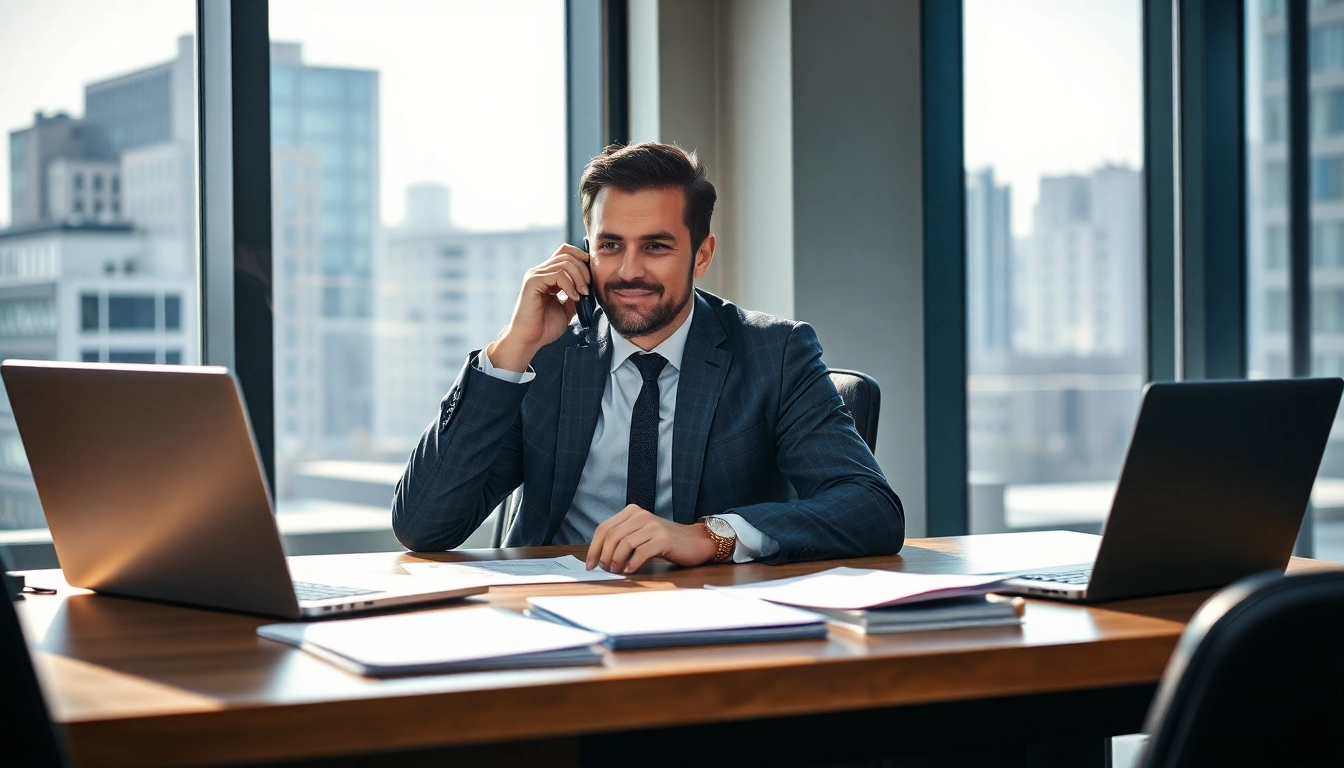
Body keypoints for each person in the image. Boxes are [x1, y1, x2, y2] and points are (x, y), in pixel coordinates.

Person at [392, 142, 903, 571]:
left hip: (710, 623)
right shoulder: (546, 355)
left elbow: (870, 508)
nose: (629, 271)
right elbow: (422, 526)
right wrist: (510, 350)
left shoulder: (775, 354)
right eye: (610, 245)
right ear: (586, 249)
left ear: (702, 254)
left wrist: (709, 536)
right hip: (556, 619)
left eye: (656, 247)